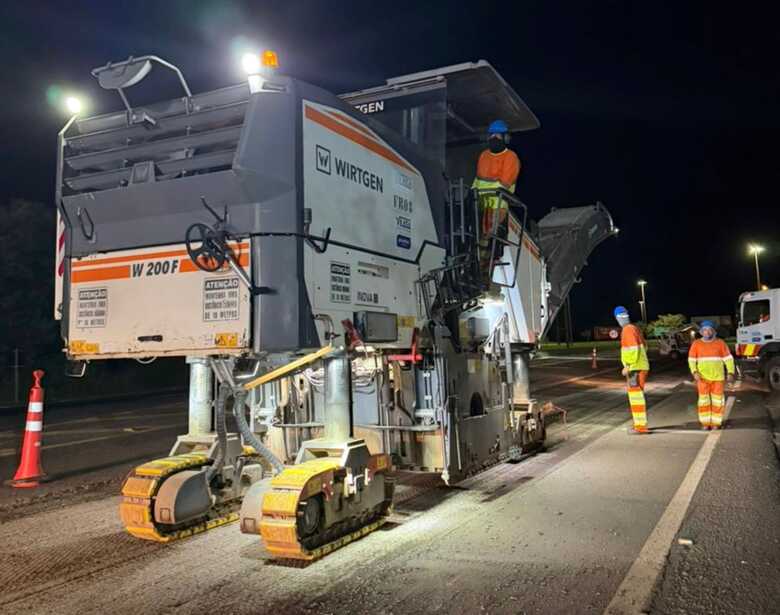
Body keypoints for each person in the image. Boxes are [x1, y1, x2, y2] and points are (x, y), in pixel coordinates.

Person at [472, 120, 521, 276]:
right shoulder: (483, 156)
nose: (494, 137)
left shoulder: (511, 158)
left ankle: (482, 274)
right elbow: (478, 180)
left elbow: (503, 184)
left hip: (497, 205)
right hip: (480, 203)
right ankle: (474, 269)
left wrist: (485, 189)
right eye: (492, 134)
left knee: (487, 239)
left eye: (498, 135)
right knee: (473, 237)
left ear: (505, 138)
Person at [688, 320, 735, 430]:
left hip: (718, 378)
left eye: (709, 330)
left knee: (718, 401)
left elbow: (728, 359)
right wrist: (694, 372)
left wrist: (731, 372)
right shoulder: (696, 344)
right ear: (701, 331)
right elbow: (691, 360)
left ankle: (716, 423)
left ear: (714, 331)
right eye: (704, 330)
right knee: (704, 401)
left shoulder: (721, 343)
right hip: (702, 378)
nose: (707, 332)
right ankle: (705, 423)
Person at [615, 306, 650, 434]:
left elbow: (633, 349)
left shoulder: (627, 330)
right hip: (641, 366)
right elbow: (645, 347)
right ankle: (640, 425)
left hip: (635, 368)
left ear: (618, 318)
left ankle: (640, 427)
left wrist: (628, 366)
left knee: (636, 397)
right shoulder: (635, 328)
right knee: (638, 396)